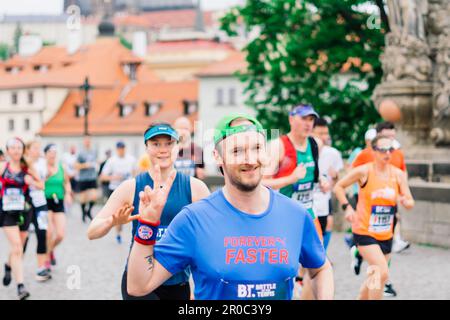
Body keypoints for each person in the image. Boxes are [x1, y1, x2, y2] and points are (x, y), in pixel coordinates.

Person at [125, 113, 334, 300]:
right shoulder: (194, 219)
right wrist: (148, 223)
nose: (250, 159)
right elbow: (138, 286)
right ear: (217, 156)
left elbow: (320, 269)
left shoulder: (295, 215)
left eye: (257, 148)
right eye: (237, 150)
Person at [88, 123, 210, 300]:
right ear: (146, 148)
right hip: (139, 280)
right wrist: (111, 222)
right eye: (156, 144)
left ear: (178, 147)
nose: (163, 149)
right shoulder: (131, 187)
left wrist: (197, 287)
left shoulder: (195, 188)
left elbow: (206, 241)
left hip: (178, 282)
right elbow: (92, 232)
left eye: (169, 143)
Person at [261, 104, 330, 299]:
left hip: (308, 211)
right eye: (303, 119)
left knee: (317, 264)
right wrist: (290, 179)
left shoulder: (315, 143)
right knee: (282, 266)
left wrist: (322, 181)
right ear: (291, 119)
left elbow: (314, 173)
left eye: (311, 119)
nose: (308, 124)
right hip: (281, 214)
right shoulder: (278, 146)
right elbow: (261, 183)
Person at [334, 135, 415, 300]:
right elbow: (339, 187)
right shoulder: (364, 171)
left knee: (375, 276)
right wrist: (347, 208)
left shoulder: (398, 174)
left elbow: (410, 201)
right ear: (374, 151)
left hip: (386, 233)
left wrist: (405, 201)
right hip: (364, 231)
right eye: (382, 149)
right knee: (381, 271)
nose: (387, 153)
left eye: (390, 149)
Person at [352, 122, 409, 297]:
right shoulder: (364, 156)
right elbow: (351, 177)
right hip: (366, 217)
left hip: (387, 211)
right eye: (387, 136)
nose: (390, 142)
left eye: (393, 136)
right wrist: (351, 206)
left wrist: (403, 198)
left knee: (378, 272)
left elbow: (402, 178)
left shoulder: (397, 154)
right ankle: (359, 252)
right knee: (380, 272)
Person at [0, 138, 44, 299]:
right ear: (8, 150)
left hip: (25, 211)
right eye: (13, 148)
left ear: (22, 150)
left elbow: (41, 185)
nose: (17, 150)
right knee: (17, 246)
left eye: (19, 147)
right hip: (7, 212)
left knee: (19, 248)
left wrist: (31, 181)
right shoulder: (3, 167)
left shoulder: (28, 167)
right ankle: (20, 286)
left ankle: (8, 265)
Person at [312, 118, 344, 251]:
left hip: (325, 197)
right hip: (309, 198)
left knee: (328, 225)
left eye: (326, 133)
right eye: (320, 133)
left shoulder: (333, 153)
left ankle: (322, 255)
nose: (324, 137)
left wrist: (335, 177)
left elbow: (336, 180)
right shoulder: (307, 152)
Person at [99, 142, 137, 244]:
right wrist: (115, 177)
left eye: (123, 148)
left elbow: (136, 172)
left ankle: (133, 233)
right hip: (115, 189)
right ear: (117, 149)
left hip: (129, 190)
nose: (121, 150)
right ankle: (118, 233)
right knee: (118, 214)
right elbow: (102, 177)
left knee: (130, 213)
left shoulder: (131, 159)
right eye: (119, 148)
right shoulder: (111, 161)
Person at [24, 141, 51, 281]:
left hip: (41, 203)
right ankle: (13, 264)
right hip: (26, 204)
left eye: (38, 148)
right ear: (27, 150)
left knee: (42, 234)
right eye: (35, 148)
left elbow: (42, 182)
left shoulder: (42, 163)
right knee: (23, 237)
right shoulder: (23, 164)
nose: (38, 151)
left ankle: (41, 268)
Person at [44, 144, 73, 269]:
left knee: (60, 234)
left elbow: (67, 183)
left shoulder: (61, 167)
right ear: (45, 154)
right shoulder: (42, 168)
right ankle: (45, 259)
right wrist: (46, 176)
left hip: (58, 201)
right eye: (50, 151)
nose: (52, 154)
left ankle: (50, 250)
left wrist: (68, 194)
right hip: (45, 201)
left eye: (54, 152)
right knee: (49, 232)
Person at [75, 136, 98, 222]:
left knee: (94, 196)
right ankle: (83, 214)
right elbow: (76, 165)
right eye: (86, 141)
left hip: (92, 177)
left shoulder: (94, 151)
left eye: (89, 141)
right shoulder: (81, 153)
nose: (87, 142)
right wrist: (85, 165)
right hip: (83, 178)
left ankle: (88, 211)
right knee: (83, 198)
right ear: (84, 142)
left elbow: (95, 161)